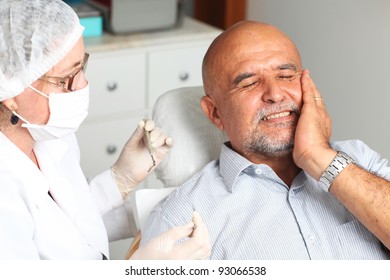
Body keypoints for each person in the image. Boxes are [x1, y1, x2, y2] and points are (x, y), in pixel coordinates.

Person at [141, 20, 390, 259]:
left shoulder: (360, 161)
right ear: (215, 113)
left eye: (286, 76)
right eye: (249, 83)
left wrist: (319, 158)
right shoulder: (181, 218)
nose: (275, 94)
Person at [0, 0, 210, 260]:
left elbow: (70, 225)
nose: (83, 84)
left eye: (82, 67)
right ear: (11, 90)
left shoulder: (48, 137)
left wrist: (120, 179)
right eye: (66, 79)